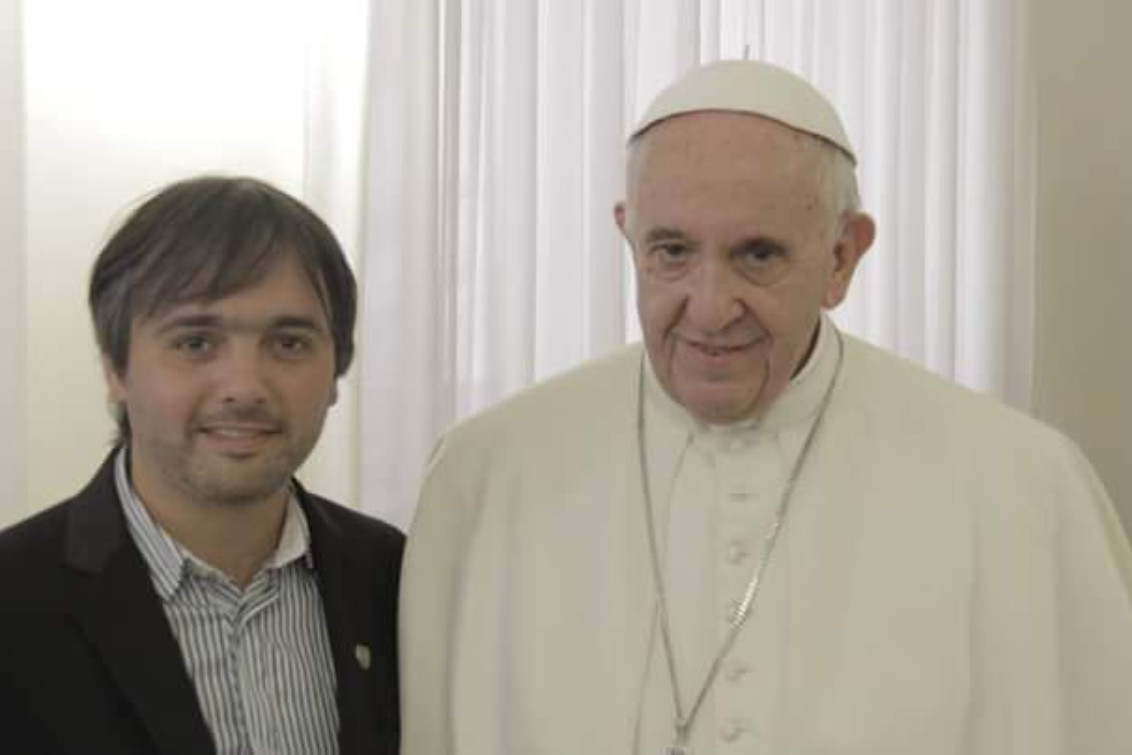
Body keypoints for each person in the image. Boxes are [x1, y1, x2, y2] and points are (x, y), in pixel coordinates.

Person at [399, 60, 1132, 754]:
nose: (711, 309)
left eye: (758, 254)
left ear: (842, 255)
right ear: (629, 236)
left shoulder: (1020, 485)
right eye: (672, 250)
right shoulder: (488, 474)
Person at [0, 176, 403, 754]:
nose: (244, 387)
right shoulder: (14, 602)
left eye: (288, 343)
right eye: (196, 342)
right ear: (116, 368)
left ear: (337, 368)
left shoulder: (395, 582)